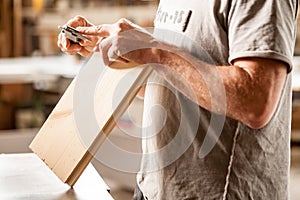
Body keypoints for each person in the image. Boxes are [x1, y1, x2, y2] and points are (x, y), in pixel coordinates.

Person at [57, 0, 298, 199]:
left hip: (218, 192)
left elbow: (255, 102)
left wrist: (153, 50)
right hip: (155, 187)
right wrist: (114, 51)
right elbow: (170, 80)